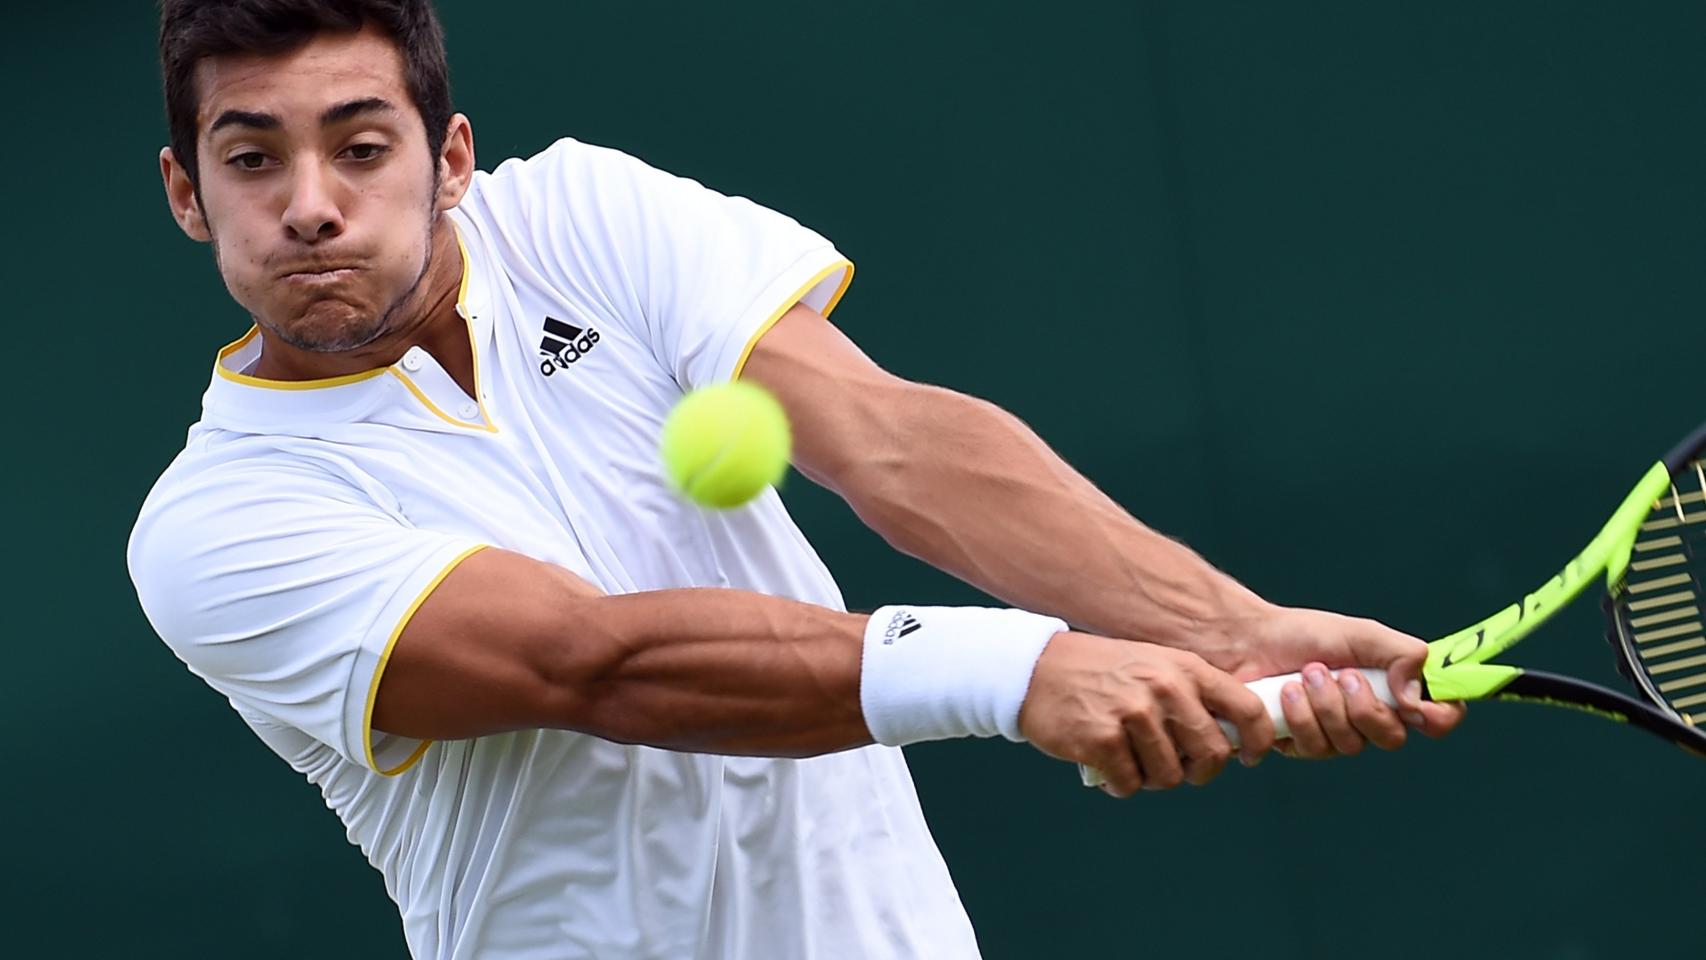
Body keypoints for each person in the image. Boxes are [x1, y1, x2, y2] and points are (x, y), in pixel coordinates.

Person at [128, 2, 1463, 957]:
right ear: (190, 194)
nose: (311, 204)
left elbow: (884, 437)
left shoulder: (586, 216)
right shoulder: (218, 526)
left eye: (361, 147)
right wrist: (1020, 672)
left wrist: (1218, 629)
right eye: (254, 159)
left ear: (452, 159)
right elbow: (594, 664)